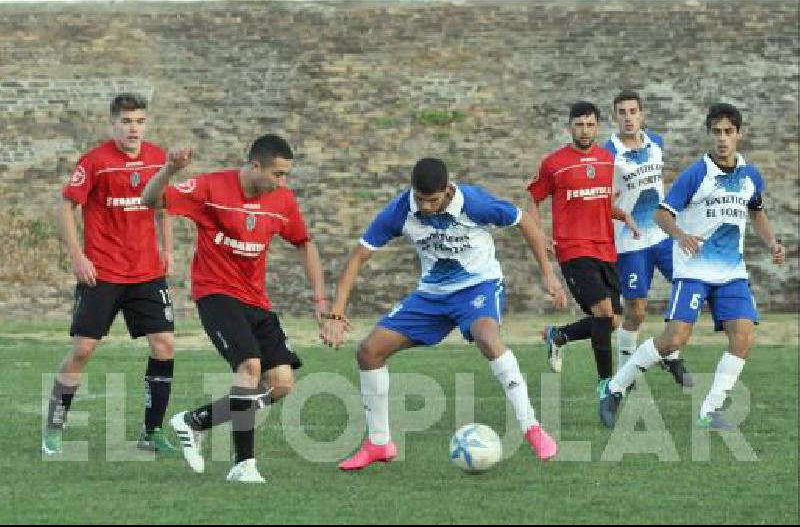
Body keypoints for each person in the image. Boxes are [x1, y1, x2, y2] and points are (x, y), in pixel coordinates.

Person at [321, 157, 567, 471]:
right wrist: (337, 314)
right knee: (369, 352)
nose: (424, 207)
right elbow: (357, 258)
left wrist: (547, 273)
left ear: (448, 190)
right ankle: (379, 443)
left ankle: (531, 427)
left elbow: (523, 220)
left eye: (432, 200)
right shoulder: (400, 210)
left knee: (487, 337)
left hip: (477, 287)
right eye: (420, 199)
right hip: (431, 295)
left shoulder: (474, 203)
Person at [141, 134, 328, 483]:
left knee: (282, 384)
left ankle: (194, 421)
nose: (282, 182)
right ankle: (244, 465)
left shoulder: (282, 200)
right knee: (249, 367)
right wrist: (169, 168)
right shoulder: (212, 187)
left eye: (286, 174)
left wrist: (320, 300)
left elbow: (305, 244)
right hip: (216, 294)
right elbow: (150, 200)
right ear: (255, 166)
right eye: (277, 173)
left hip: (256, 299)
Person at [598, 103, 786, 429]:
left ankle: (709, 411)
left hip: (731, 273)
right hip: (694, 271)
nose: (723, 138)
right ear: (709, 135)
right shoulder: (696, 174)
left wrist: (771, 243)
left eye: (729, 132)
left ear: (738, 134)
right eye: (717, 132)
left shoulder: (750, 176)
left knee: (743, 337)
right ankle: (614, 389)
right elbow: (661, 214)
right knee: (673, 340)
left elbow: (756, 210)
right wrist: (681, 235)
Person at [43, 93, 177, 456]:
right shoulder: (95, 162)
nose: (134, 128)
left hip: (146, 271)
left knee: (164, 345)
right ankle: (54, 426)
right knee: (83, 349)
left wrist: (167, 248)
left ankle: (151, 432)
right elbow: (66, 207)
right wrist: (78, 256)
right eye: (126, 122)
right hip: (102, 271)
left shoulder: (156, 159)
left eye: (139, 121)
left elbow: (164, 207)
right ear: (113, 124)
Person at [527, 101, 639, 415]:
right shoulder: (554, 163)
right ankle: (606, 385)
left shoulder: (607, 160)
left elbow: (599, 203)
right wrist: (539, 234)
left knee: (613, 321)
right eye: (579, 125)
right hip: (574, 248)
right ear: (570, 126)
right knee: (603, 312)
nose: (585, 130)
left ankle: (559, 335)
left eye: (590, 125)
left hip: (605, 246)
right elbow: (532, 200)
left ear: (597, 126)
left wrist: (623, 216)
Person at [604, 90, 692, 387]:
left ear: (642, 114)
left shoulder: (657, 143)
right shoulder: (608, 153)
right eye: (622, 112)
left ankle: (671, 353)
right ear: (614, 116)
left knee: (686, 283)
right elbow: (602, 201)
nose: (628, 118)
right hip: (630, 243)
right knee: (636, 311)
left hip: (662, 236)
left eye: (633, 111)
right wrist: (619, 212)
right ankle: (624, 373)